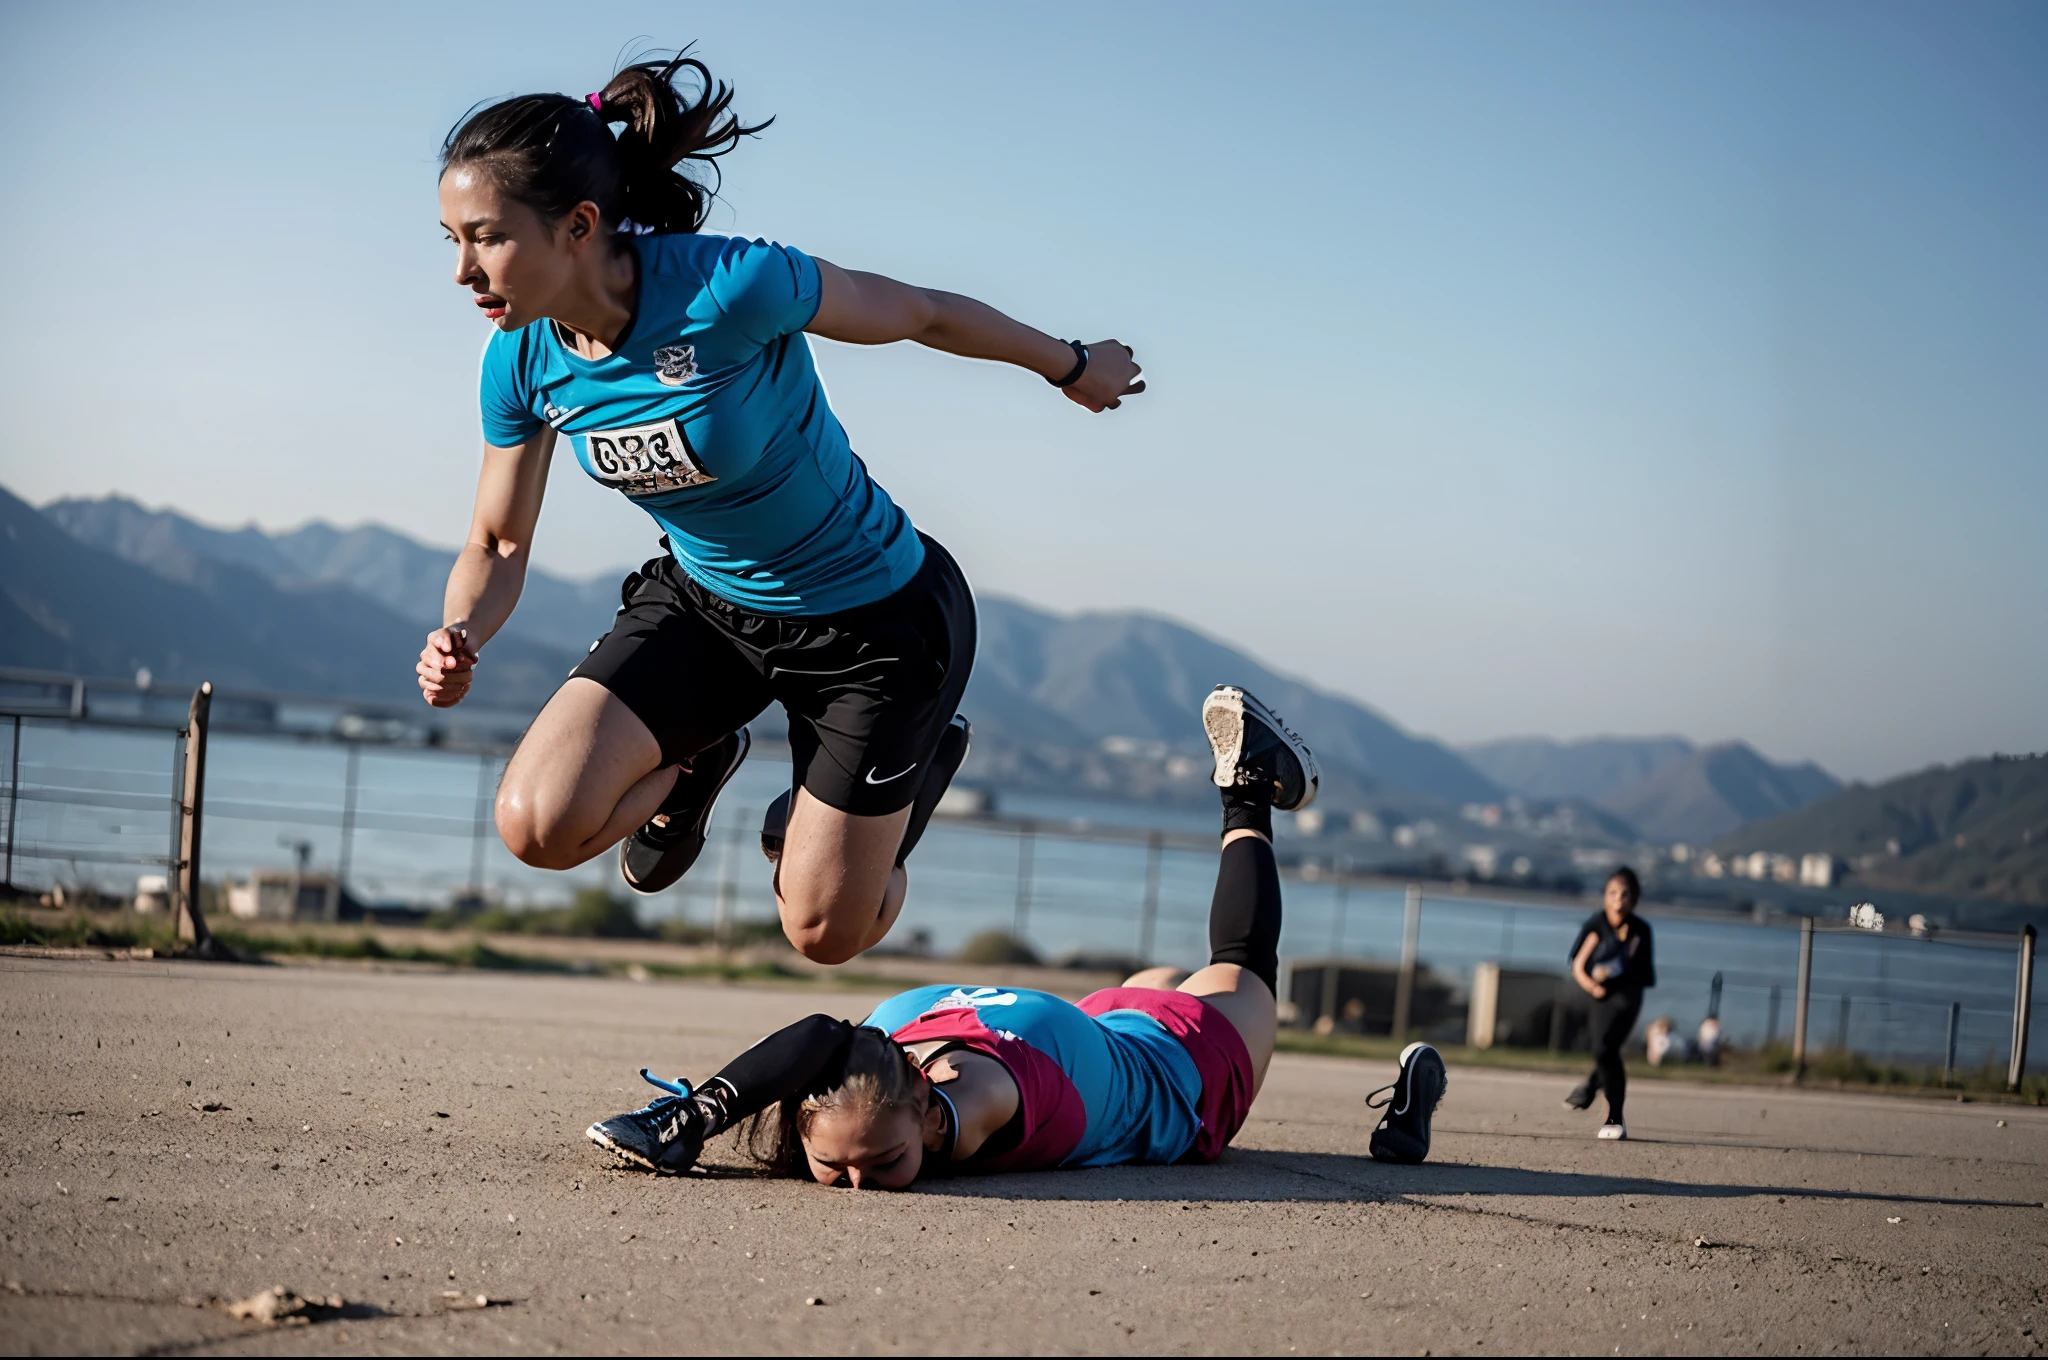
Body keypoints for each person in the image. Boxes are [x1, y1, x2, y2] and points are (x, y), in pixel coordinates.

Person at [414, 52, 1145, 965]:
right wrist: (461, 630)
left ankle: (911, 771)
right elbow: (499, 538)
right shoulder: (521, 360)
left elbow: (918, 312)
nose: (461, 271)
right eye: (450, 240)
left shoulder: (731, 288)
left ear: (579, 225)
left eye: (483, 237)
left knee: (826, 931)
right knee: (538, 826)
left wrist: (1072, 365)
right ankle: (695, 761)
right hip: (709, 608)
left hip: (875, 627)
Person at [586, 686, 1450, 1185]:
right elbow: (825, 1041)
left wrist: (697, 1119)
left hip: (1172, 1070)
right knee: (833, 907)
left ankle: (1248, 788)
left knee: (1244, 972)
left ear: (930, 1113)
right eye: (841, 1168)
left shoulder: (974, 1110)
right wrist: (702, 1118)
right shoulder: (887, 1047)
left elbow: (824, 1044)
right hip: (1093, 1026)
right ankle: (882, 801)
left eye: (880, 1164)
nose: (858, 1188)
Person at [1563, 866, 1656, 1139]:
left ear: (1634, 899)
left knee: (1607, 1048)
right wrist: (1592, 984)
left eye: (1625, 894)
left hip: (1627, 997)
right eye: (1613, 893)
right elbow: (1578, 964)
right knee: (1602, 1051)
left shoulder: (1641, 930)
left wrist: (1624, 948)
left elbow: (1635, 968)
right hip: (1599, 997)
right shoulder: (1596, 925)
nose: (1619, 899)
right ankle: (1592, 1085)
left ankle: (1614, 1117)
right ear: (1604, 896)